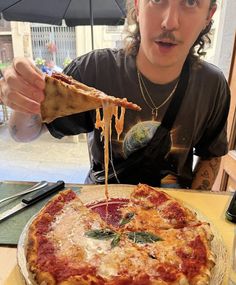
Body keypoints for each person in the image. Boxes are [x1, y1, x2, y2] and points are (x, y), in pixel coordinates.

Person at [0, 0, 231, 190]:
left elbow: (212, 155)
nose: (169, 22)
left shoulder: (212, 85)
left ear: (208, 15)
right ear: (138, 6)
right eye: (157, 0)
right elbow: (22, 133)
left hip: (172, 220)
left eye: (190, 2)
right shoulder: (94, 70)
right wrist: (25, 97)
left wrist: (190, 212)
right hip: (100, 208)